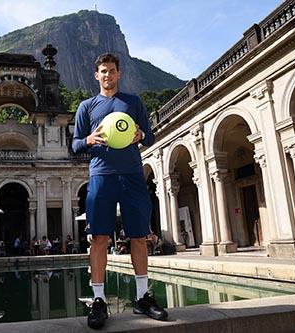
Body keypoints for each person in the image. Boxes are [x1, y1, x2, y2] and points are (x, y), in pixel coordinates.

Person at [72, 53, 168, 329]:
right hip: (101, 176)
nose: (107, 75)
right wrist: (89, 139)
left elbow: (150, 138)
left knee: (139, 237)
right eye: (103, 71)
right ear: (96, 75)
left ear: (119, 73)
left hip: (132, 176)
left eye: (112, 71)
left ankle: (141, 297)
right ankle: (99, 300)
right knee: (99, 237)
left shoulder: (133, 102)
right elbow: (76, 144)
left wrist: (141, 136)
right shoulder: (87, 107)